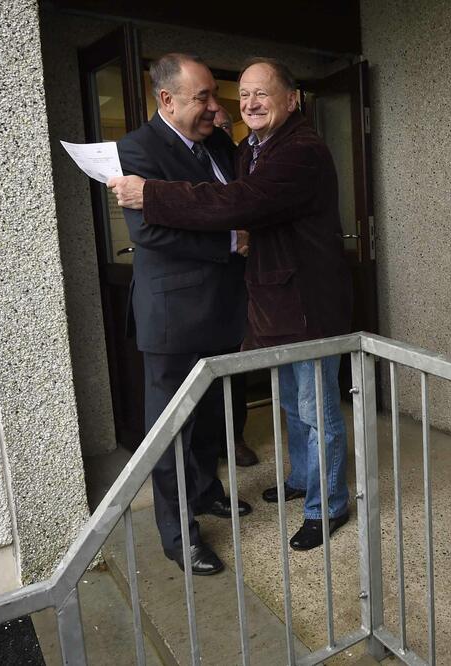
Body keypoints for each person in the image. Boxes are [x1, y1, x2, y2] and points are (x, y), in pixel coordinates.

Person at [110, 57, 353, 552]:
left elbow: (239, 202)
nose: (244, 104)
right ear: (167, 100)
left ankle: (328, 504)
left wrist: (151, 194)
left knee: (315, 407)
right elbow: (167, 227)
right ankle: (298, 482)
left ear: (293, 99)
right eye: (241, 95)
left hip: (307, 304)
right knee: (289, 403)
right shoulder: (244, 146)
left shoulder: (299, 150)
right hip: (256, 308)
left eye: (260, 93)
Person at [117, 53, 252, 575]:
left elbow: (236, 199)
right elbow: (150, 231)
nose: (214, 109)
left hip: (223, 307)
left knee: (211, 414)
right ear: (166, 100)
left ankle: (206, 491)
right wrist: (229, 240)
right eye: (203, 98)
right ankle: (179, 537)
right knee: (171, 427)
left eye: (214, 98)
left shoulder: (217, 142)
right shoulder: (136, 149)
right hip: (172, 315)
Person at [212, 105, 259, 469]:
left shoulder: (243, 158)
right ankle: (210, 444)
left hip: (243, 275)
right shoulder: (196, 160)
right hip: (204, 274)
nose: (219, 129)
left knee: (236, 364)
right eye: (214, 125)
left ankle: (236, 436)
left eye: (226, 125)